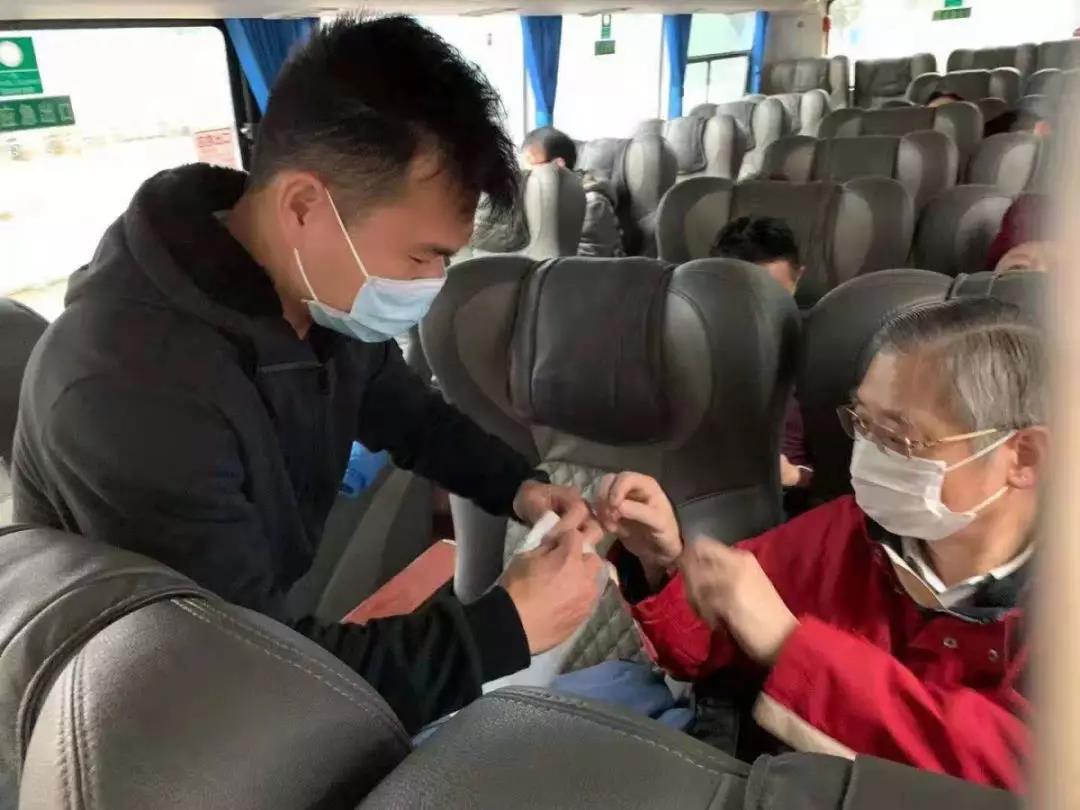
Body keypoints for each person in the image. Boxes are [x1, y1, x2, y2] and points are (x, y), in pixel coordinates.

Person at [11, 16, 605, 734]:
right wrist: (503, 630)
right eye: (421, 256)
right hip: (136, 714)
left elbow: (413, 418)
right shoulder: (128, 391)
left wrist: (520, 488)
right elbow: (251, 675)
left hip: (237, 653)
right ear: (302, 207)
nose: (432, 283)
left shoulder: (315, 297)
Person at [595, 297, 1042, 790]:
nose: (868, 454)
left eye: (899, 438)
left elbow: (1013, 769)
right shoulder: (847, 530)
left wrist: (790, 646)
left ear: (1024, 457)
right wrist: (664, 562)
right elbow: (706, 642)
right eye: (862, 422)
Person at [710, 217, 811, 490]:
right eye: (742, 295)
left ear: (798, 278)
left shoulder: (824, 352)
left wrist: (794, 476)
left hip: (788, 498)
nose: (759, 309)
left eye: (774, 294)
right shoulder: (685, 346)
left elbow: (840, 478)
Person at [520, 126, 625, 258]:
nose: (524, 172)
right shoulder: (533, 198)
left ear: (558, 166)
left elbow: (587, 263)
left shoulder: (592, 203)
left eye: (531, 164)